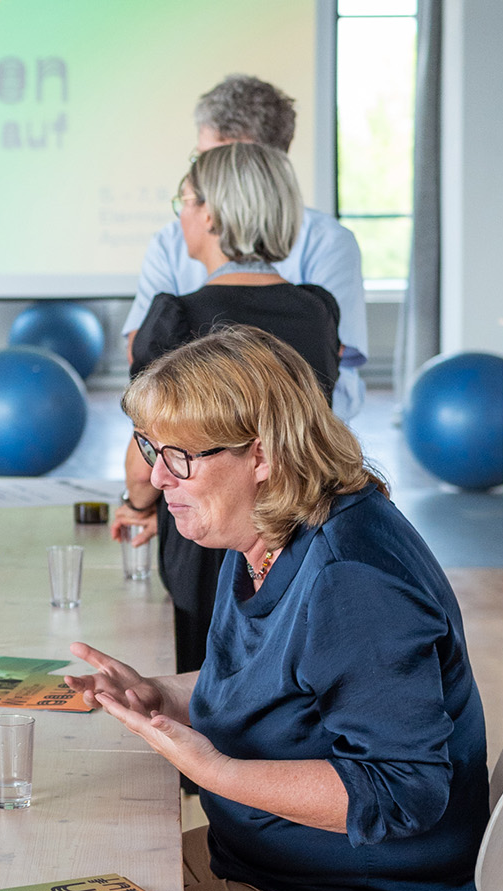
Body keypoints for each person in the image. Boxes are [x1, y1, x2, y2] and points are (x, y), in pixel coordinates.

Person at [68, 328, 488, 891]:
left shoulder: (352, 579)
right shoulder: (267, 533)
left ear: (261, 454)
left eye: (180, 456)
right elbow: (283, 682)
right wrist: (160, 694)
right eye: (152, 449)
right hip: (271, 871)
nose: (155, 477)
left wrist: (214, 770)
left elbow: (405, 789)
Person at [118, 141, 341, 676]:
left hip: (207, 547)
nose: (181, 213)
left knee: (206, 698)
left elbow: (144, 465)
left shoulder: (176, 317)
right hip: (299, 532)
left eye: (185, 199)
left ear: (211, 214)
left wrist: (139, 506)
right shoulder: (317, 310)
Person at [121, 73, 367, 420]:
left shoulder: (329, 245)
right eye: (200, 160)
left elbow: (328, 365)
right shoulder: (170, 240)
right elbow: (144, 361)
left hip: (306, 434)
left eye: (219, 164)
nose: (204, 175)